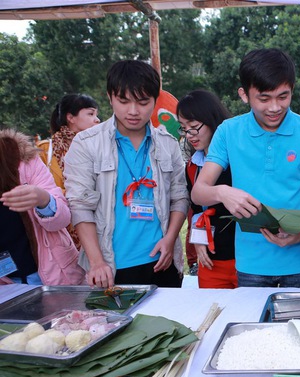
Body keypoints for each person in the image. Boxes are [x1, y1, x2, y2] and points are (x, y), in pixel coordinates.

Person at [192, 48, 300, 288]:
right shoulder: (228, 131)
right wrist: (223, 192)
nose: (274, 107)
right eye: (264, 98)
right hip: (250, 265)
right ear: (244, 95)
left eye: (283, 96)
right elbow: (199, 191)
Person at [64, 60, 189, 289]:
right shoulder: (87, 144)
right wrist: (97, 262)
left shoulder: (167, 144)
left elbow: (180, 196)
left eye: (143, 102)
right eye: (123, 101)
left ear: (154, 100)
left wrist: (170, 240)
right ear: (110, 97)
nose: (133, 111)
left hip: (162, 263)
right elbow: (80, 206)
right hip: (111, 267)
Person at [0, 129, 85, 285]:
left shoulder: (20, 157)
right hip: (7, 284)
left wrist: (43, 199)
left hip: (54, 273)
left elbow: (63, 218)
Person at [177, 90, 236, 289]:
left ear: (212, 120)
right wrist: (198, 240)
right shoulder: (192, 166)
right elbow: (197, 212)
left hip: (245, 259)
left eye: (194, 127)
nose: (189, 135)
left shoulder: (238, 159)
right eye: (184, 128)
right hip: (211, 260)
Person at [37, 93, 100, 249]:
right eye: (91, 114)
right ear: (71, 118)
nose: (97, 120)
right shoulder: (45, 150)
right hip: (59, 232)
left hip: (96, 227)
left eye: (97, 115)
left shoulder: (100, 149)